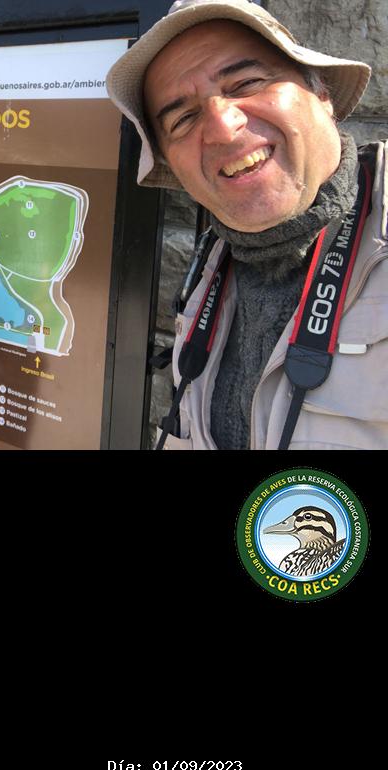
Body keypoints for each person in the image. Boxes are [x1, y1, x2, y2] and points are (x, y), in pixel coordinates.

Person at [106, 0, 386, 449]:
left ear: (321, 92)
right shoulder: (209, 268)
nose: (222, 126)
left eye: (246, 83)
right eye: (183, 118)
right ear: (174, 167)